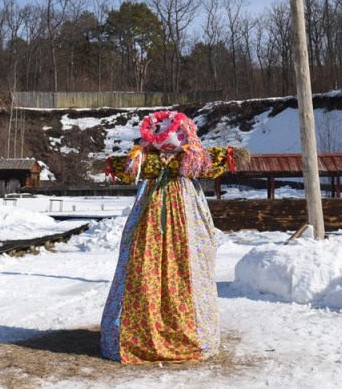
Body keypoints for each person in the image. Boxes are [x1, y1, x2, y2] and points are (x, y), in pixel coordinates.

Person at [100, 110, 240, 364]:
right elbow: (125, 167)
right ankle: (138, 333)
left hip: (185, 211)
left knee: (186, 263)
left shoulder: (189, 160)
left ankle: (188, 331)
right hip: (149, 213)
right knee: (144, 265)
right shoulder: (146, 161)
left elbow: (212, 163)